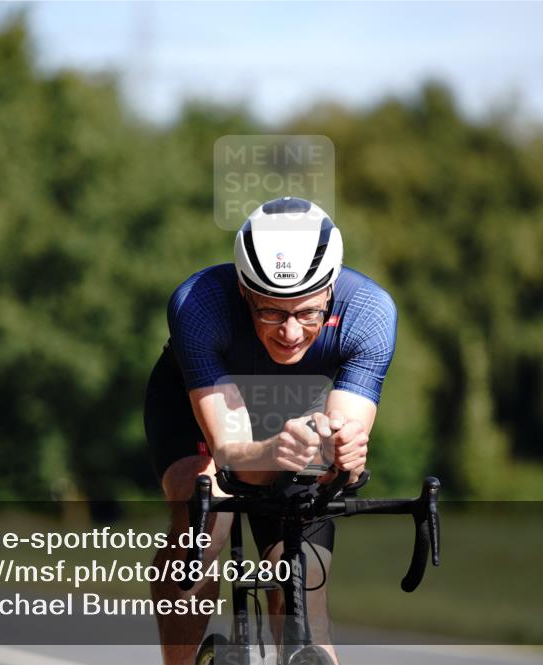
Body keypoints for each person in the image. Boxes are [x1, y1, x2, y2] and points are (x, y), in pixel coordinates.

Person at [145, 196, 397, 665]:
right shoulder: (199, 304)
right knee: (204, 524)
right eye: (272, 312)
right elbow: (229, 449)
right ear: (244, 291)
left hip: (302, 409)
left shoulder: (369, 312)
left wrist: (342, 457)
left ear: (330, 291)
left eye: (307, 314)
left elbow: (340, 446)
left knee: (298, 585)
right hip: (198, 407)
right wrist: (273, 451)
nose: (291, 333)